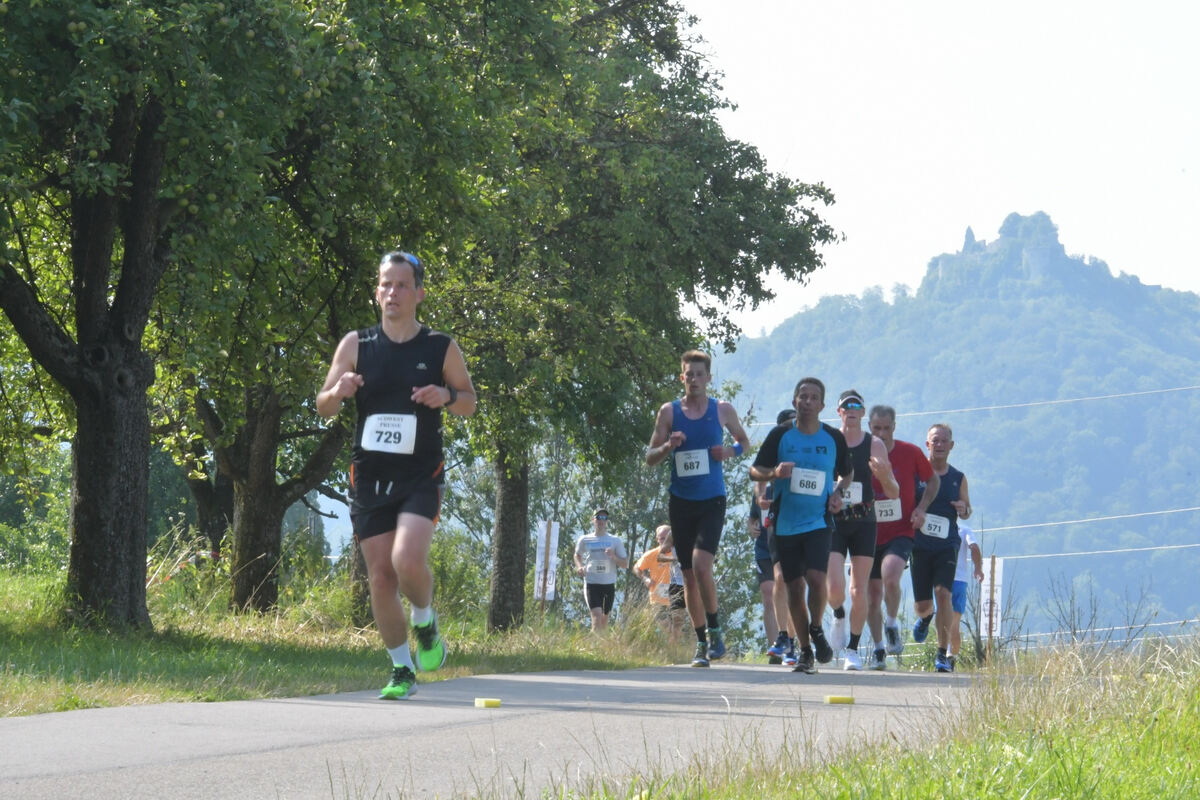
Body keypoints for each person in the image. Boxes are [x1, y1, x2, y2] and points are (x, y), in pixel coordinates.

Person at [316, 249, 476, 700]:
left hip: (420, 474)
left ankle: (425, 620)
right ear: (376, 292)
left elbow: (469, 401)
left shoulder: (439, 346)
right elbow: (323, 404)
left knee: (406, 561)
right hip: (368, 477)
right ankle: (402, 669)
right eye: (386, 284)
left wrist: (444, 395)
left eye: (402, 285)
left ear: (419, 294)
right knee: (381, 577)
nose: (392, 292)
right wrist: (339, 390)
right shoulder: (357, 345)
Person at [645, 350, 752, 667]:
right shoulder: (669, 412)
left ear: (708, 378)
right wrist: (668, 446)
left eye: (699, 374)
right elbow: (651, 457)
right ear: (682, 377)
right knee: (689, 576)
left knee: (702, 565)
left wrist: (728, 452)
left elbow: (744, 442)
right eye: (688, 374)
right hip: (681, 502)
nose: (693, 379)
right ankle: (702, 643)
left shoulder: (722, 409)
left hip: (712, 500)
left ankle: (716, 630)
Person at [750, 378, 852, 674]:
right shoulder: (780, 436)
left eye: (813, 398)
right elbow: (754, 471)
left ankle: (817, 627)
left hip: (819, 521)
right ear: (795, 402)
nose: (807, 402)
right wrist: (775, 472)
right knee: (794, 587)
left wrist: (838, 494)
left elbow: (847, 473)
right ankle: (806, 650)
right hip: (784, 524)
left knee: (817, 580)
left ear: (822, 405)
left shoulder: (832, 438)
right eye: (802, 397)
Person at [827, 390, 899, 671]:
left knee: (859, 590)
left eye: (857, 405)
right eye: (847, 405)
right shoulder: (830, 440)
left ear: (863, 412)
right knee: (834, 587)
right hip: (834, 520)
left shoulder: (875, 445)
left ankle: (853, 649)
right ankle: (838, 613)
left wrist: (882, 476)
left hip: (864, 521)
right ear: (839, 411)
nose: (852, 409)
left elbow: (894, 492)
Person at [865, 405, 938, 670]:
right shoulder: (861, 453)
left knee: (891, 574)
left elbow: (932, 481)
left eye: (886, 428)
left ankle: (892, 622)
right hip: (867, 533)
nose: (882, 434)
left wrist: (921, 508)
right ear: (869, 428)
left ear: (894, 427)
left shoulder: (910, 452)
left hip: (901, 531)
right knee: (872, 598)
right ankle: (878, 650)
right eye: (876, 429)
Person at [910, 423, 972, 672]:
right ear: (927, 444)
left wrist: (963, 508)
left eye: (944, 441)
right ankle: (925, 618)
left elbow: (968, 510)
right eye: (935, 440)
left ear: (951, 446)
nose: (940, 445)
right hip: (920, 545)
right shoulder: (916, 474)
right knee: (924, 605)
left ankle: (942, 654)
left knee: (944, 594)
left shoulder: (958, 478)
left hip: (947, 545)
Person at [751, 410, 797, 664]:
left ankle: (789, 641)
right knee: (769, 595)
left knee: (786, 591)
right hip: (763, 545)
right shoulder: (766, 472)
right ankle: (775, 647)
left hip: (788, 537)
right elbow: (753, 514)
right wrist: (752, 527)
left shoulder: (800, 462)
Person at [574, 507, 630, 631]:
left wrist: (613, 556)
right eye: (598, 517)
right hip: (591, 583)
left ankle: (600, 647)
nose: (601, 520)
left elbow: (625, 564)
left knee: (604, 622)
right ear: (593, 520)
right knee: (596, 617)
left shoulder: (615, 540)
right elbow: (577, 555)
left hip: (608, 584)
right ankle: (593, 649)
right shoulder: (585, 539)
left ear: (607, 522)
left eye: (604, 518)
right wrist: (579, 567)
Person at [635, 524, 686, 640]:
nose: (664, 540)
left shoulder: (679, 552)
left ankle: (674, 651)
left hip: (677, 595)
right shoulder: (652, 554)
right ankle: (673, 650)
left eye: (667, 537)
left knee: (677, 628)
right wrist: (645, 579)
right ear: (657, 539)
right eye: (661, 538)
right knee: (667, 628)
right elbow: (637, 568)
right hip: (658, 598)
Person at [949, 521, 984, 670]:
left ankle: (944, 655)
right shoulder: (965, 529)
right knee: (955, 623)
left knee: (943, 621)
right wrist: (978, 568)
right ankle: (952, 656)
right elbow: (974, 547)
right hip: (960, 581)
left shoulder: (940, 526)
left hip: (943, 580)